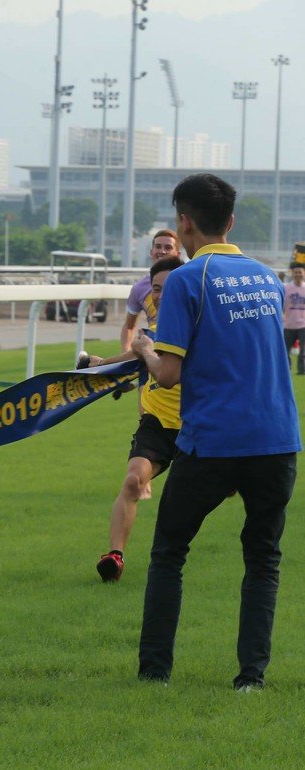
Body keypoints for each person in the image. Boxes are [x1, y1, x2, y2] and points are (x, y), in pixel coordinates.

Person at [131, 173, 300, 690]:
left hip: (213, 440)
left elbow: (169, 373)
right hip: (277, 439)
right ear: (231, 221)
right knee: (263, 559)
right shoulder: (268, 277)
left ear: (184, 223)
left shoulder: (185, 280)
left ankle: (155, 670)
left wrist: (142, 349)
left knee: (169, 551)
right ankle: (251, 677)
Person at [80, 256, 184, 582]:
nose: (162, 295)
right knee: (132, 481)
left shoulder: (202, 328)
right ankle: (115, 556)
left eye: (170, 288)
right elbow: (124, 360)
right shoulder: (151, 333)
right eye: (156, 289)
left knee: (195, 499)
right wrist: (95, 367)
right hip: (156, 424)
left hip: (197, 426)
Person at [119, 229, 183, 353]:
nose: (162, 251)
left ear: (178, 254)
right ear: (151, 252)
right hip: (155, 347)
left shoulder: (187, 281)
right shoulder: (139, 288)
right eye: (158, 246)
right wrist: (125, 351)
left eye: (168, 247)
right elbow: (129, 326)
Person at [283, 265, 305, 375]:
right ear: (292, 274)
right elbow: (281, 305)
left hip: (303, 325)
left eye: (300, 272)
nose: (298, 274)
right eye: (296, 272)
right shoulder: (286, 288)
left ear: (304, 274)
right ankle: (287, 369)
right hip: (288, 324)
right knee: (285, 350)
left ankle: (302, 370)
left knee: (303, 351)